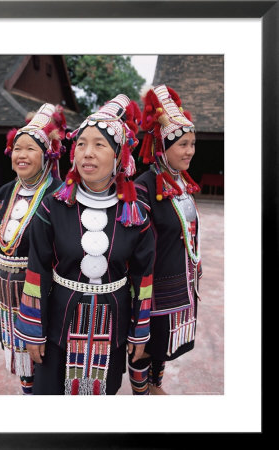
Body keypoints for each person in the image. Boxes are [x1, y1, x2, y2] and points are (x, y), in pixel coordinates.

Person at [14, 94, 155, 395]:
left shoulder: (136, 215)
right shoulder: (52, 208)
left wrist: (139, 330)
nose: (87, 153)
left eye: (99, 145)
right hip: (57, 329)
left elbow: (143, 279)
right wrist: (33, 331)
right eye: (81, 144)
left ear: (119, 156)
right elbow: (36, 270)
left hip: (113, 329)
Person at [0, 103, 66, 394]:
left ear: (46, 154)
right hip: (7, 287)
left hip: (42, 291)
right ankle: (27, 392)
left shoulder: (59, 194)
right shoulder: (5, 192)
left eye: (31, 148)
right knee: (18, 353)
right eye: (18, 148)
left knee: (42, 353)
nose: (22, 155)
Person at [128, 84, 202, 395]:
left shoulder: (182, 184)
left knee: (163, 346)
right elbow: (136, 248)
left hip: (181, 280)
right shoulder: (144, 188)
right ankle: (142, 393)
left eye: (193, 144)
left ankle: (156, 385)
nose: (189, 151)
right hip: (154, 287)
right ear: (163, 146)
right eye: (183, 144)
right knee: (147, 346)